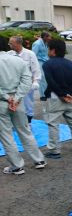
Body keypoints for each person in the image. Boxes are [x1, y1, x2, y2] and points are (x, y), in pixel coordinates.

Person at [0, 38, 46, 174]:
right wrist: (17, 98)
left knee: (6, 135)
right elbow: (27, 81)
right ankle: (39, 160)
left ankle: (17, 166)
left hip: (2, 102)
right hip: (18, 101)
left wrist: (7, 98)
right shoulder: (19, 61)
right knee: (25, 131)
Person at [42, 39, 72, 159]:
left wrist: (61, 94)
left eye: (48, 49)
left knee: (53, 124)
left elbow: (51, 82)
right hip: (71, 97)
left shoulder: (47, 64)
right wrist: (70, 93)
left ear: (53, 50)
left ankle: (54, 150)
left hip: (55, 97)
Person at [9, 35, 40, 123]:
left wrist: (36, 81)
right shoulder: (9, 54)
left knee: (28, 103)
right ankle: (14, 121)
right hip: (13, 83)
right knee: (13, 102)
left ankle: (28, 121)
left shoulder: (30, 54)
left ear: (18, 44)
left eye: (11, 43)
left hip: (27, 84)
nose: (9, 45)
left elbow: (35, 69)